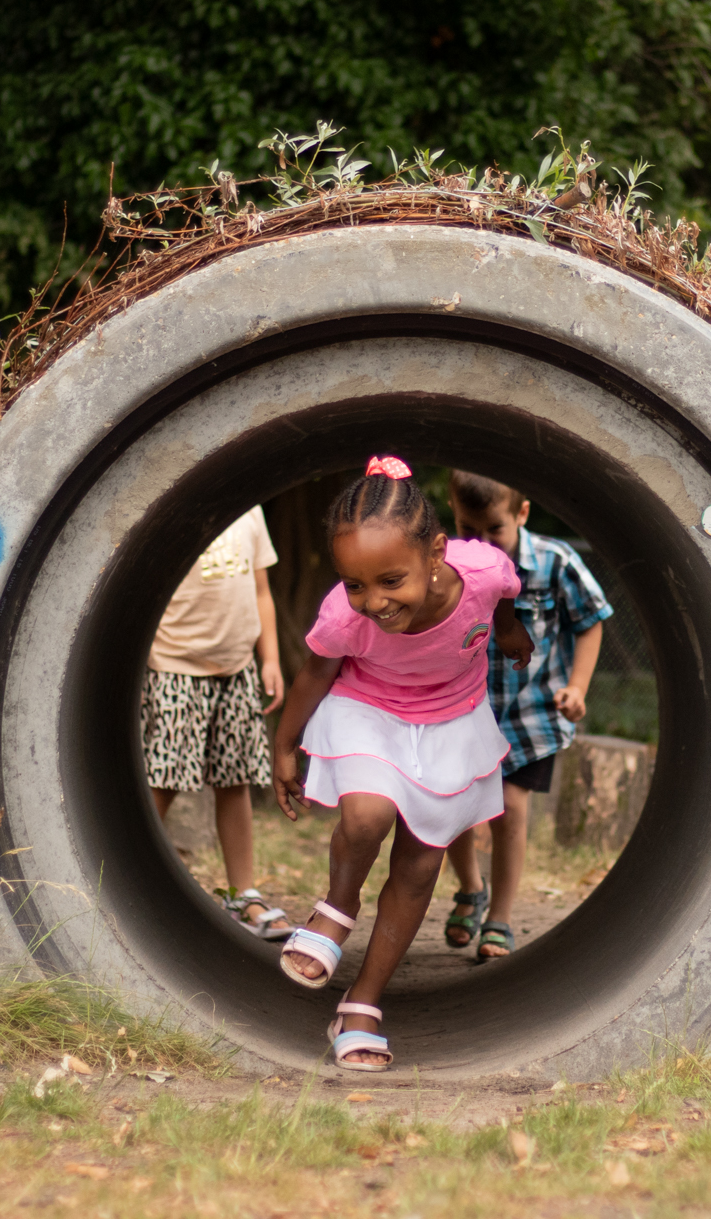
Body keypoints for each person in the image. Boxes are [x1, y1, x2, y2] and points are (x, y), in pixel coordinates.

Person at [270, 455, 532, 1071]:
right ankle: (337, 908)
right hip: (369, 709)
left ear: (437, 553)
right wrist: (286, 744)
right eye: (355, 584)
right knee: (367, 816)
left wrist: (510, 629)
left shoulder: (485, 569)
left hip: (451, 721)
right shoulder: (344, 615)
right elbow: (316, 672)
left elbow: (502, 599)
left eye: (391, 581)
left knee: (419, 868)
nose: (374, 602)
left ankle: (362, 1003)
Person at [443, 470, 611, 962]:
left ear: (521, 513)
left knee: (510, 812)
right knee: (452, 813)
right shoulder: (449, 564)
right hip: (463, 714)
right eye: (468, 530)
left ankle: (500, 917)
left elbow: (591, 620)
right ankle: (472, 890)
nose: (481, 543)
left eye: (493, 530)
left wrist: (576, 687)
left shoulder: (556, 562)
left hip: (530, 715)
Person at [140, 505, 290, 939]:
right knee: (163, 780)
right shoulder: (174, 512)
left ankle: (243, 894)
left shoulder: (250, 512)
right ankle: (133, 882)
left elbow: (262, 590)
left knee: (235, 779)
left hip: (236, 667)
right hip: (175, 667)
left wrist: (271, 659)